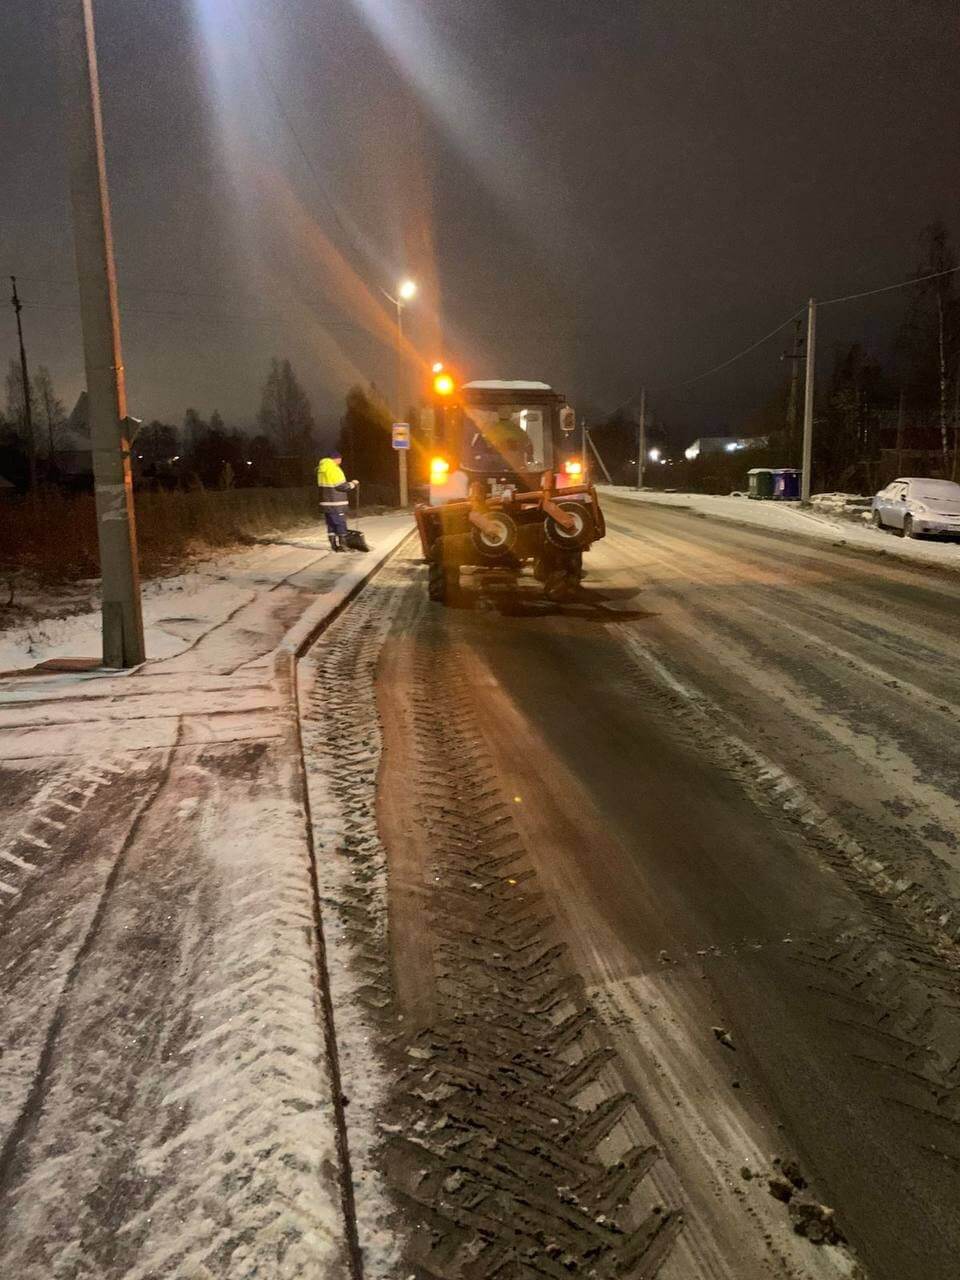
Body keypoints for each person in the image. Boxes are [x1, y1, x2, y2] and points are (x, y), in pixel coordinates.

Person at [316, 450, 358, 551]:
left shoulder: (321, 469)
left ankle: (334, 545)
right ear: (336, 459)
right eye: (340, 458)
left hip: (325, 502)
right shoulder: (334, 469)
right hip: (336, 502)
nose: (341, 460)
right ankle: (344, 546)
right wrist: (353, 484)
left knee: (331, 523)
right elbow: (341, 486)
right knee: (340, 523)